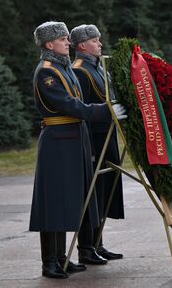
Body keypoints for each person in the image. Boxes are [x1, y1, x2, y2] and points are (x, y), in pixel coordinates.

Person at [29, 21, 127, 279]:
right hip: (58, 140)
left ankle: (62, 258)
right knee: (53, 202)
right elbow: (70, 105)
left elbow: (79, 104)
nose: (67, 42)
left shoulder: (63, 66)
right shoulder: (46, 71)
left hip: (75, 137)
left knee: (70, 199)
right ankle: (49, 262)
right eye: (63, 39)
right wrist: (105, 112)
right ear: (50, 44)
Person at [71, 24, 125, 261]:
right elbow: (84, 110)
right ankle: (86, 248)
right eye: (94, 40)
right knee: (92, 192)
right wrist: (90, 148)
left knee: (105, 190)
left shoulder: (98, 66)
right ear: (82, 45)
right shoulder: (80, 70)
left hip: (108, 134)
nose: (99, 43)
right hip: (94, 137)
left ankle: (97, 242)